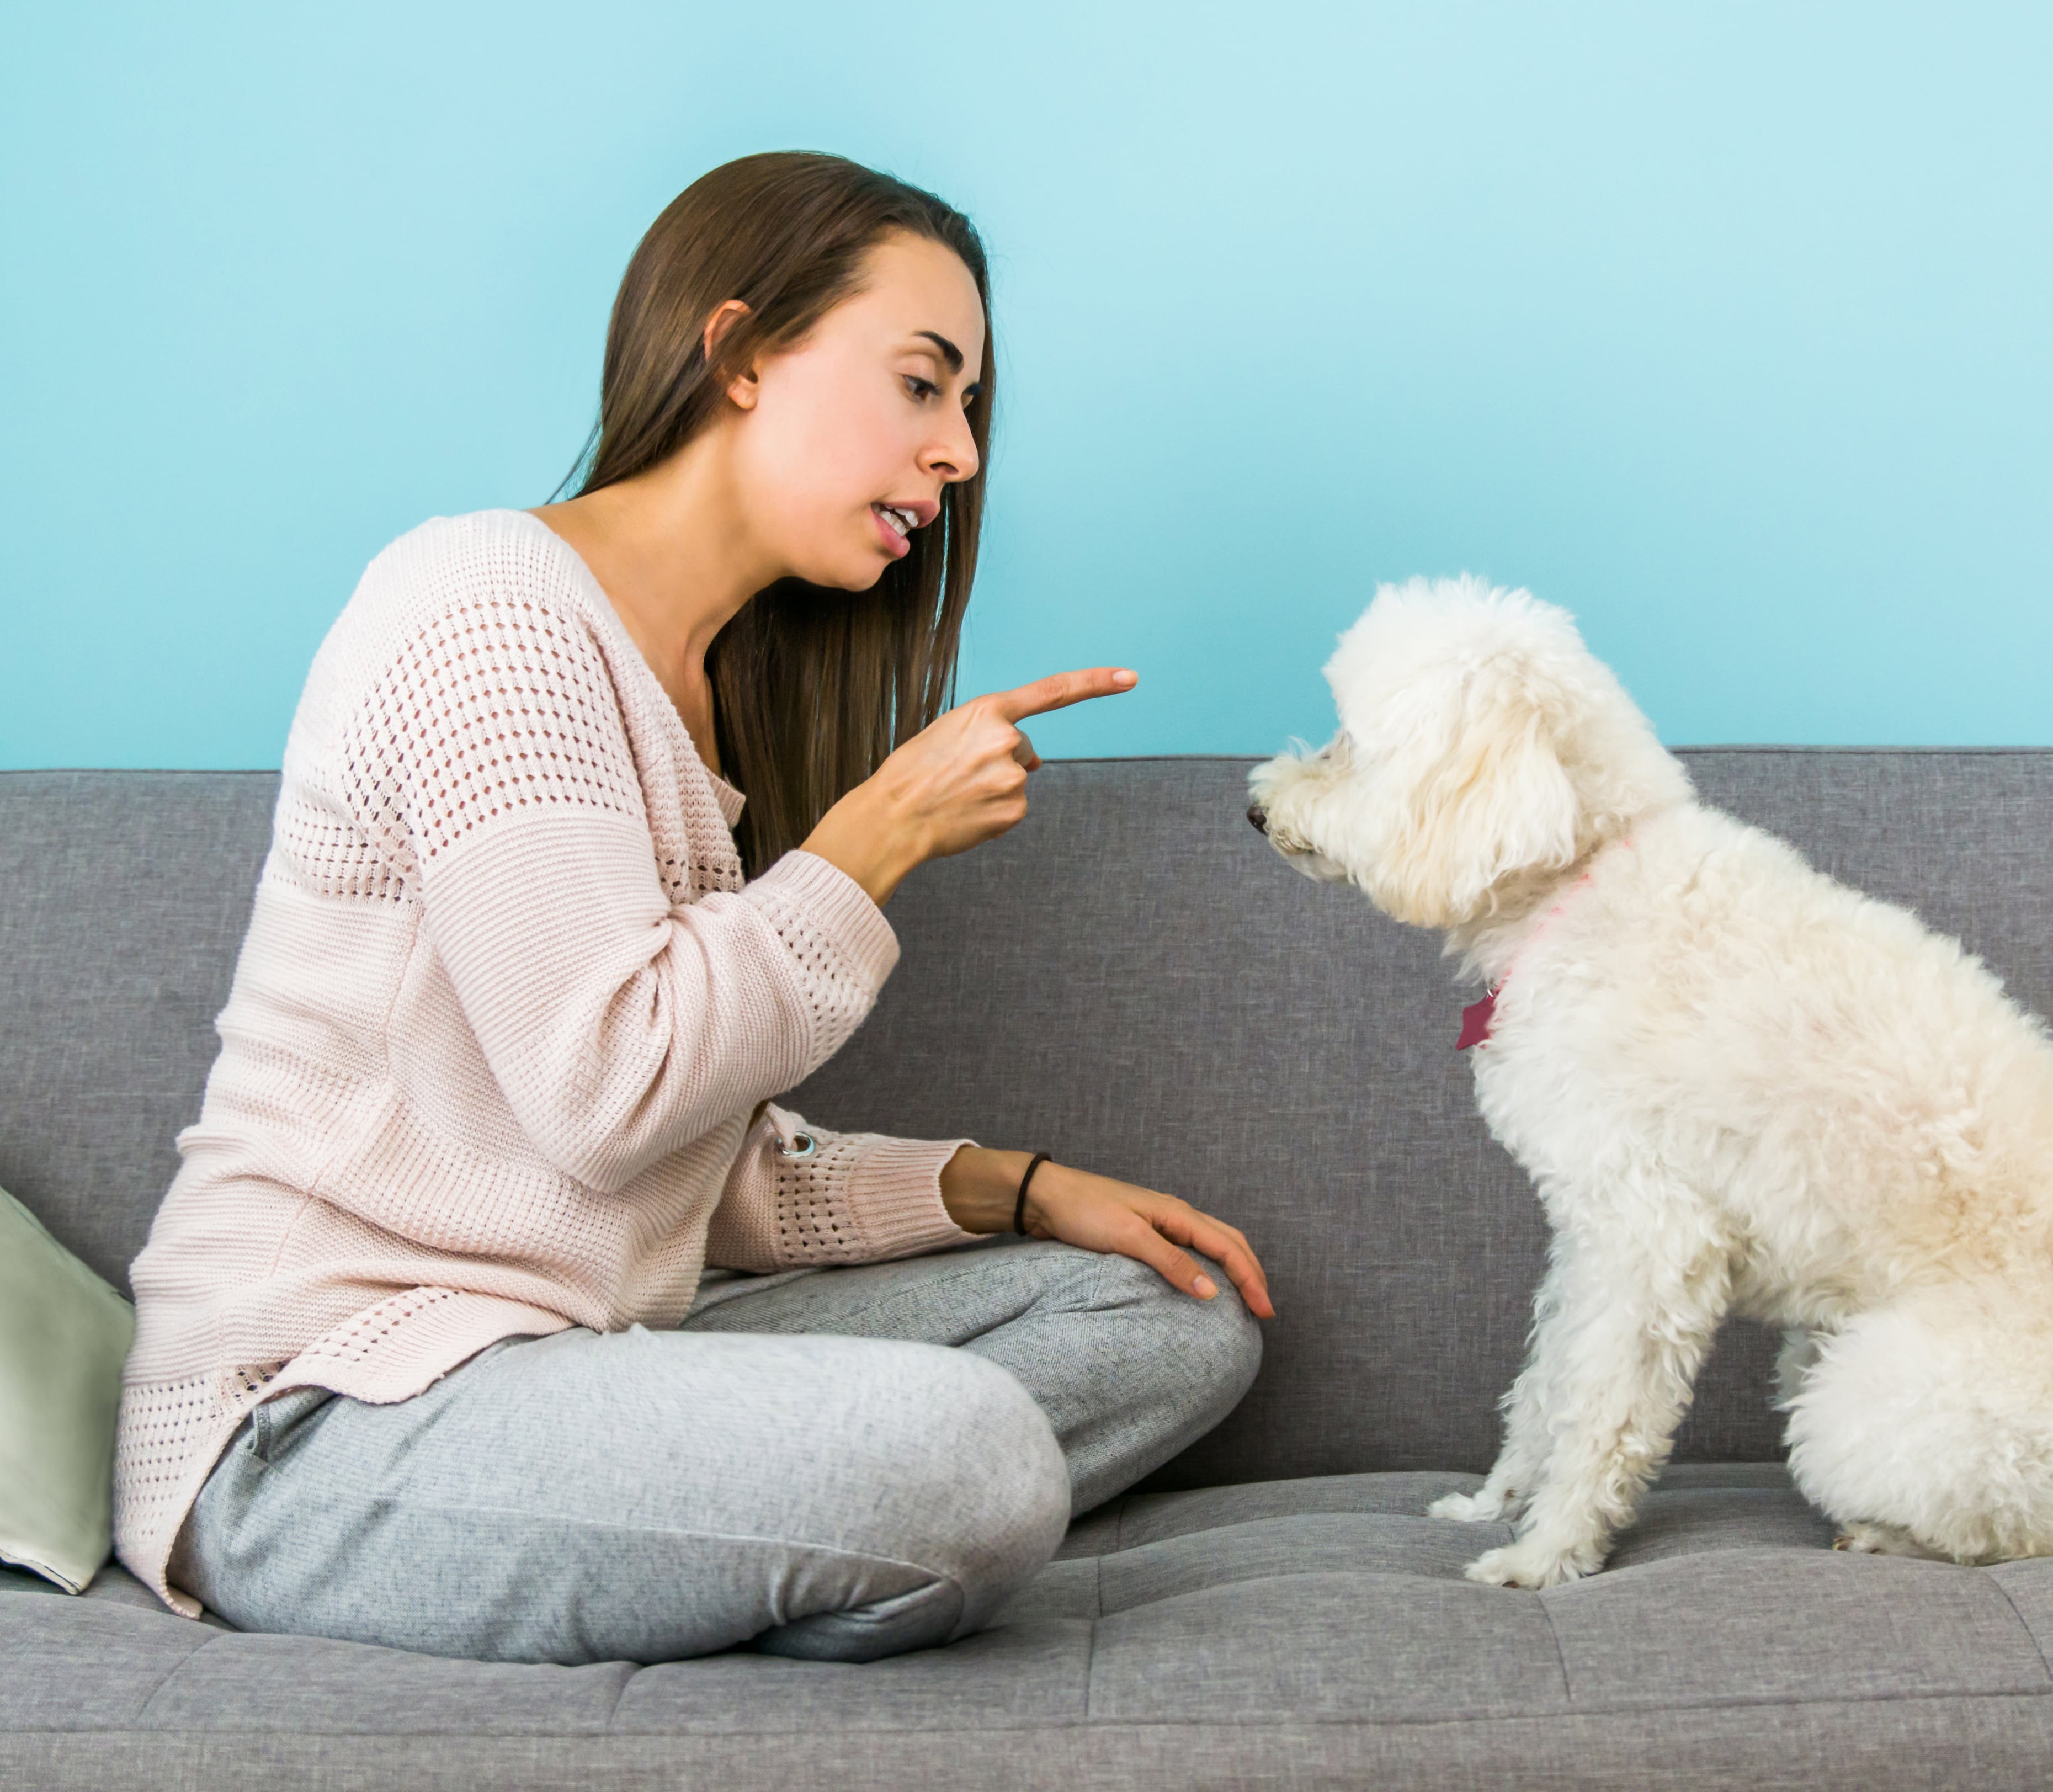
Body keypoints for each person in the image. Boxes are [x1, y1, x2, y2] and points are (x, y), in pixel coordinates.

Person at [111, 151, 1272, 1666]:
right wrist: (869, 845)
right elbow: (611, 1095)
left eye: (971, 406)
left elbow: (678, 1176)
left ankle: (727, 1559)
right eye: (922, 383)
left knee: (1171, 1319)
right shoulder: (486, 606)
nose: (960, 453)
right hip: (322, 1414)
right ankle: (787, 1549)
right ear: (740, 353)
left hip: (589, 1345)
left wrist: (1015, 1188)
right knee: (965, 1456)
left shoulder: (700, 696)